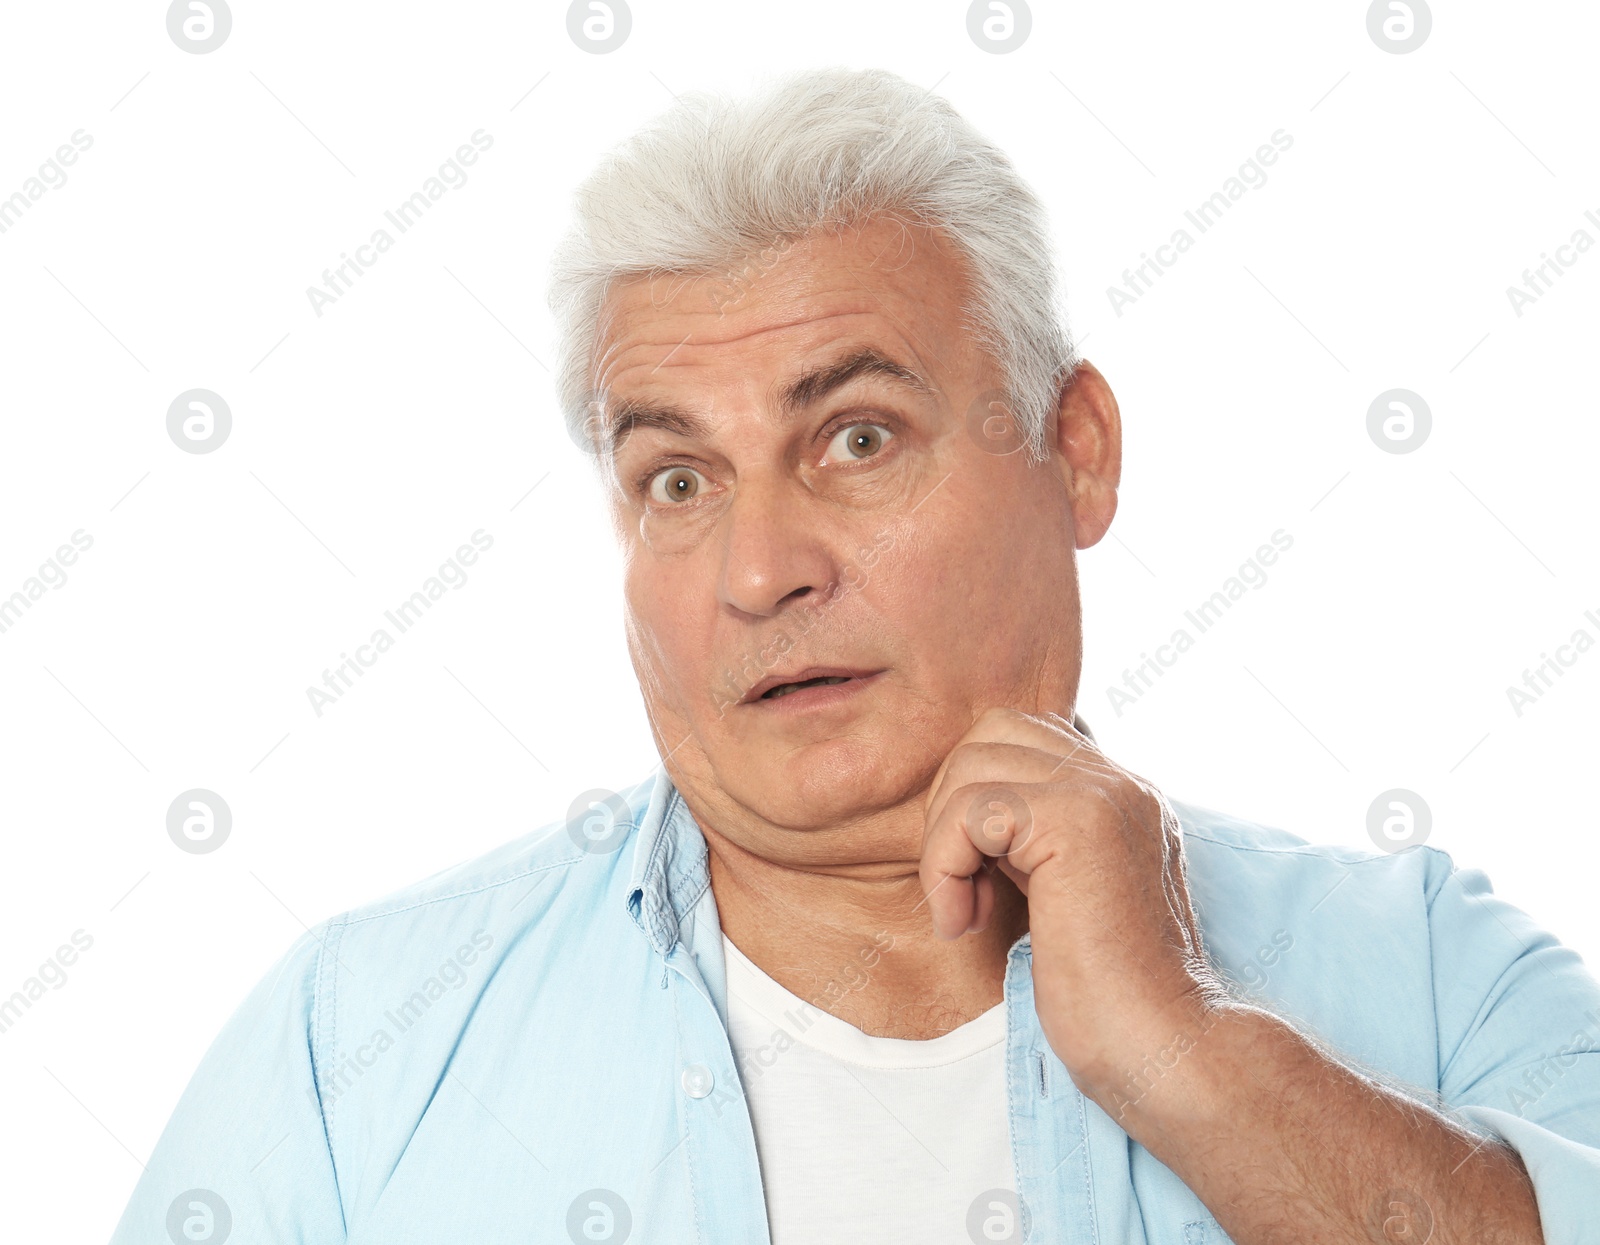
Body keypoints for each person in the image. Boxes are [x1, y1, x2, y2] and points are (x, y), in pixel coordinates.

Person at [112, 67, 1600, 1245]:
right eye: (677, 479)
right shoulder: (350, 1045)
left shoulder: (1431, 967)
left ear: (1073, 451)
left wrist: (1189, 1058)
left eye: (857, 436)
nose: (761, 571)